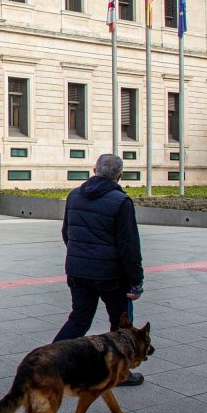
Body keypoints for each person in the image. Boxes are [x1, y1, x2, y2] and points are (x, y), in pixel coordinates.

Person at [53, 153, 146, 386]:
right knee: (121, 323)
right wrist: (136, 280)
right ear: (120, 176)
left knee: (79, 318)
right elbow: (129, 246)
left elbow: (67, 234)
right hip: (110, 275)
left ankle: (50, 361)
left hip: (77, 269)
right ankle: (120, 373)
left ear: (94, 170)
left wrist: (81, 258)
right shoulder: (121, 201)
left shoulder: (74, 196)